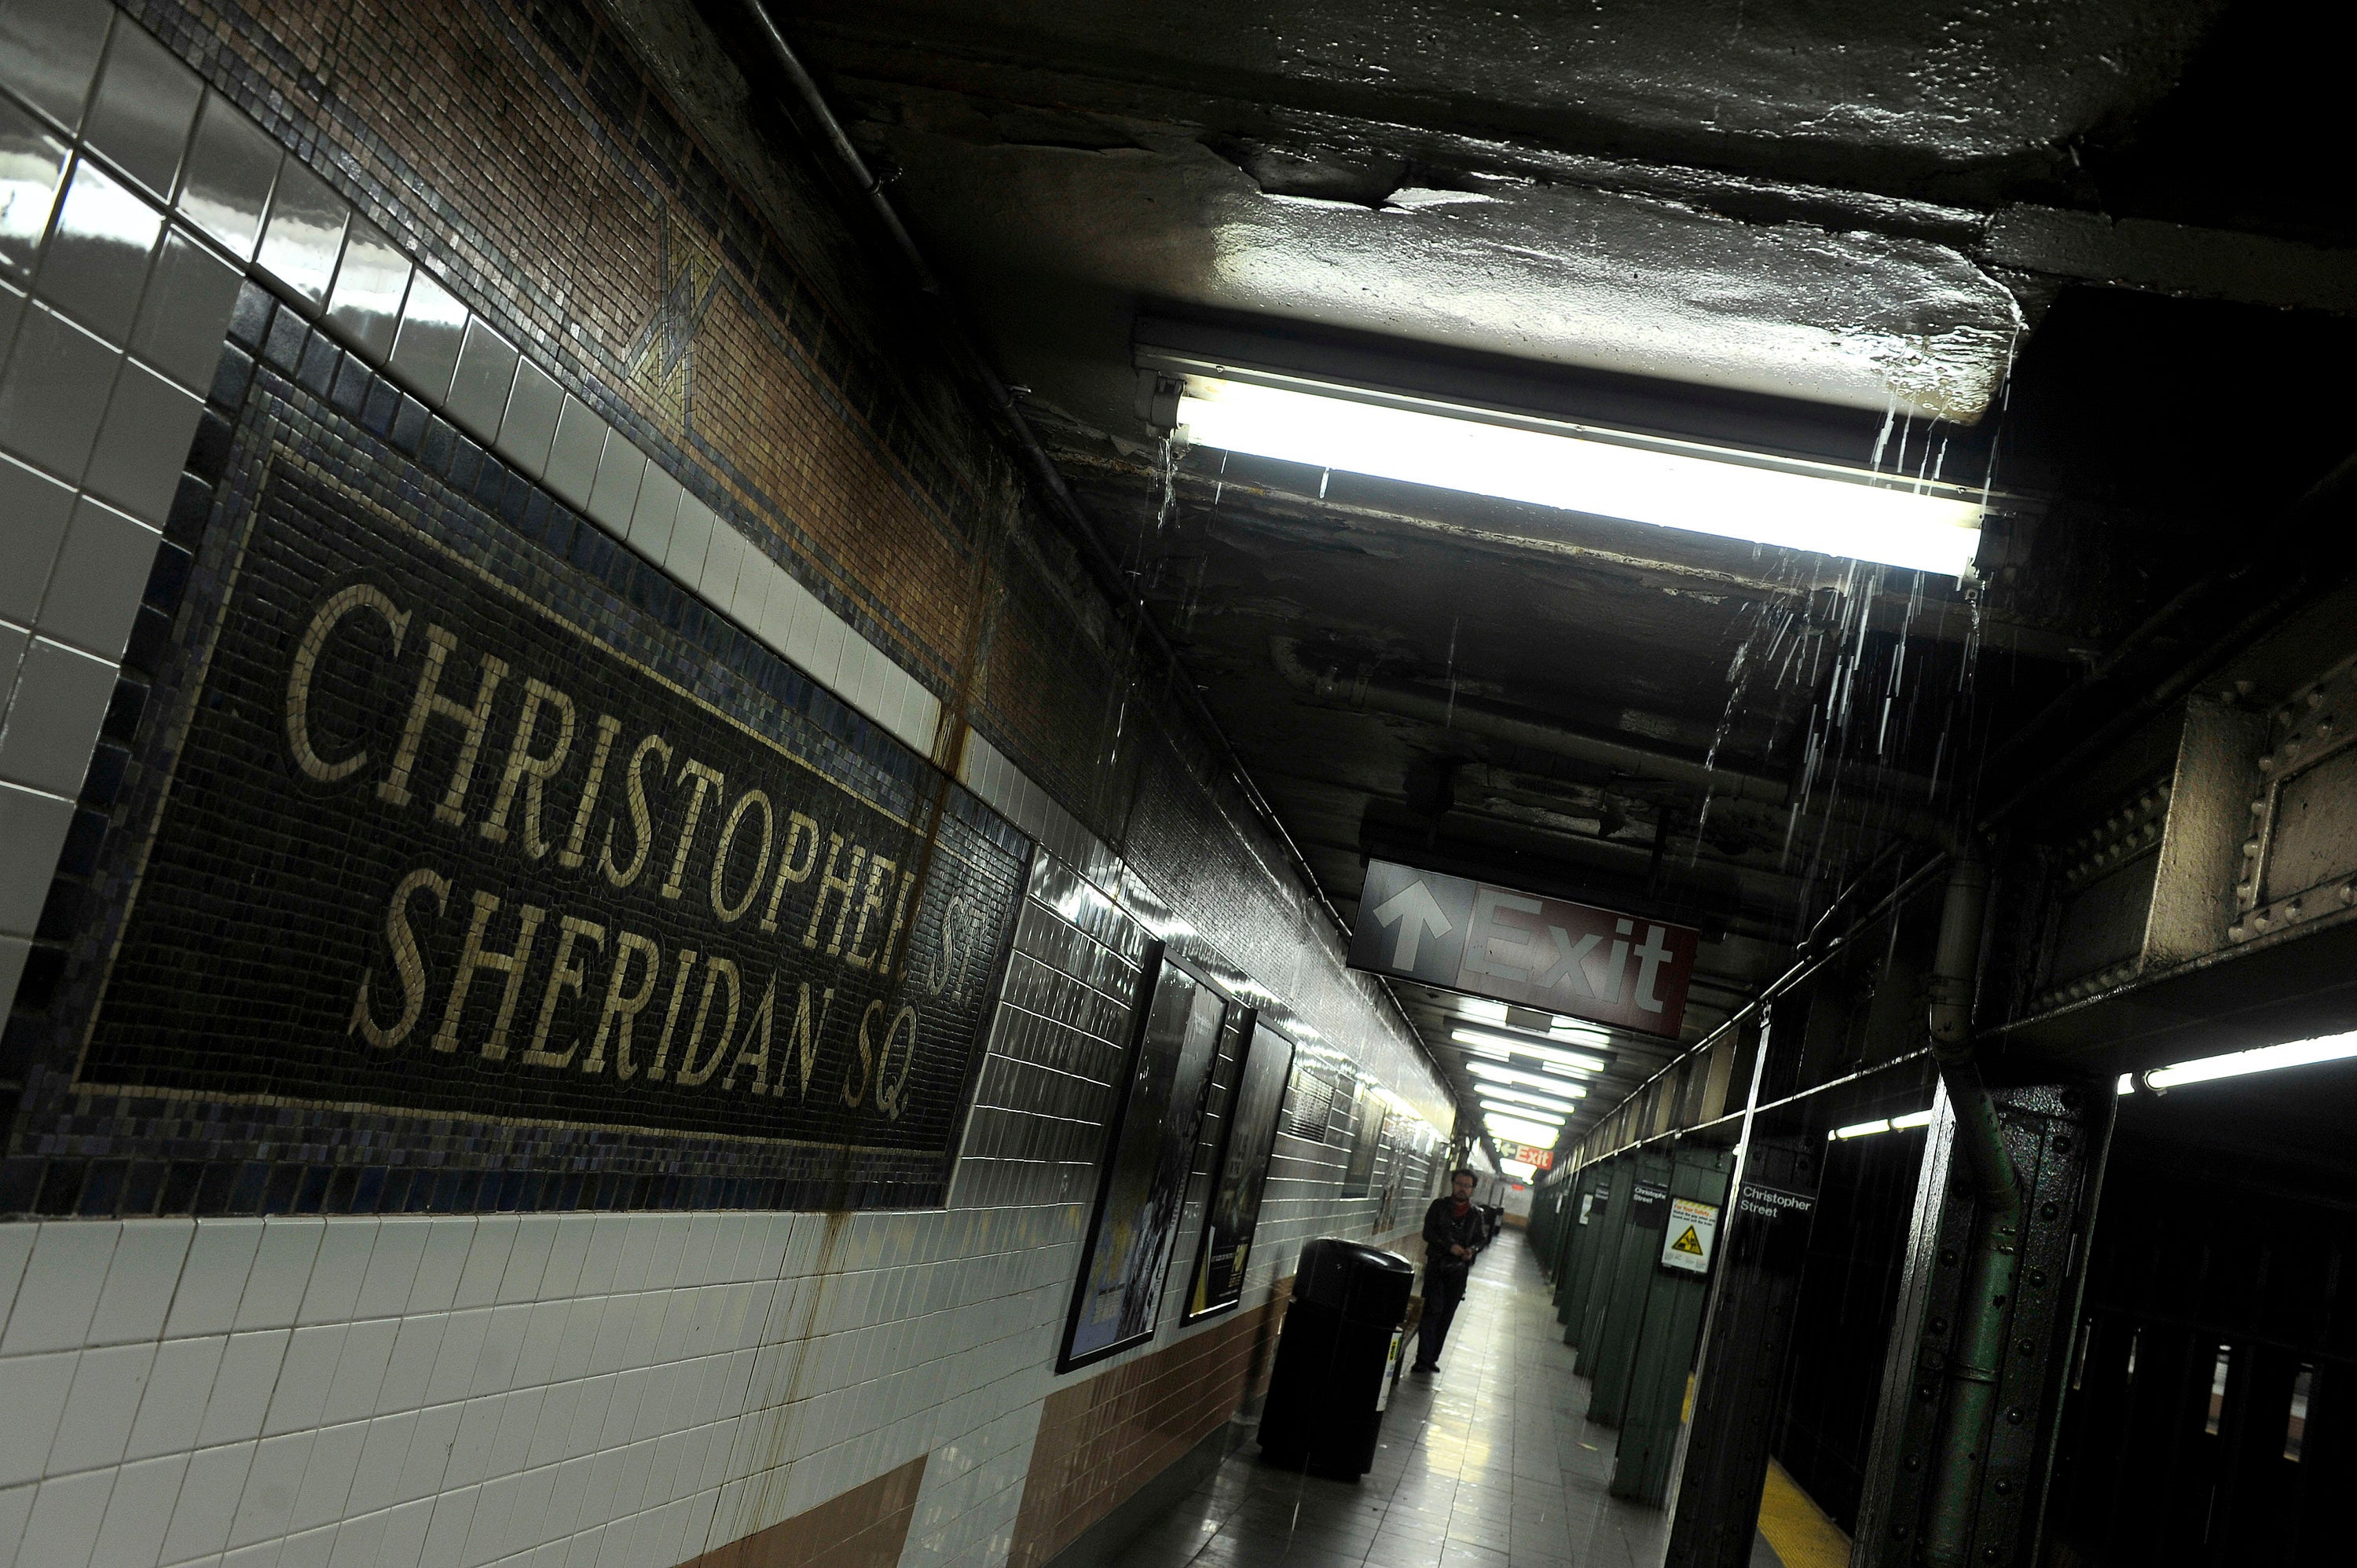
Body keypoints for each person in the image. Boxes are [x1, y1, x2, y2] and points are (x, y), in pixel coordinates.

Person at [1410, 1167, 1486, 1373]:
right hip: (1437, 1265)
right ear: (1453, 1184)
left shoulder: (1476, 1215)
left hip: (1459, 1271)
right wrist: (1448, 1246)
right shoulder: (1439, 1207)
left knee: (1446, 1314)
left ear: (1472, 1189)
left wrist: (1471, 1250)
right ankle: (1422, 1358)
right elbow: (1428, 1233)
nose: (1462, 1189)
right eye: (1459, 1184)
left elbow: (1481, 1239)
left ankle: (1432, 1357)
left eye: (1467, 1186)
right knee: (1432, 1311)